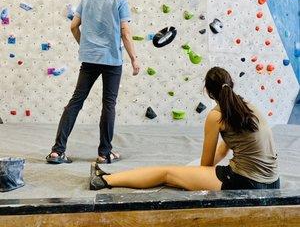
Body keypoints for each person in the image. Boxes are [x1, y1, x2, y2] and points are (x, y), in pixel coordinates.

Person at [91, 67, 280, 190]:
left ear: (207, 91)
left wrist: (191, 175)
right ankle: (106, 178)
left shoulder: (216, 115)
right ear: (231, 84)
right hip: (273, 181)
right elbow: (224, 149)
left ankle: (105, 179)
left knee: (166, 173)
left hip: (247, 182)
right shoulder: (245, 106)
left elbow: (206, 164)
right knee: (180, 175)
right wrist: (194, 174)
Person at [46, 0, 140, 165]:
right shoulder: (120, 0)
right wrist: (134, 58)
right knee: (109, 104)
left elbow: (73, 26)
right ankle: (104, 153)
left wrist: (85, 45)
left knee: (75, 101)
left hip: (89, 58)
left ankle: (57, 151)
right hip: (112, 59)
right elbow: (125, 32)